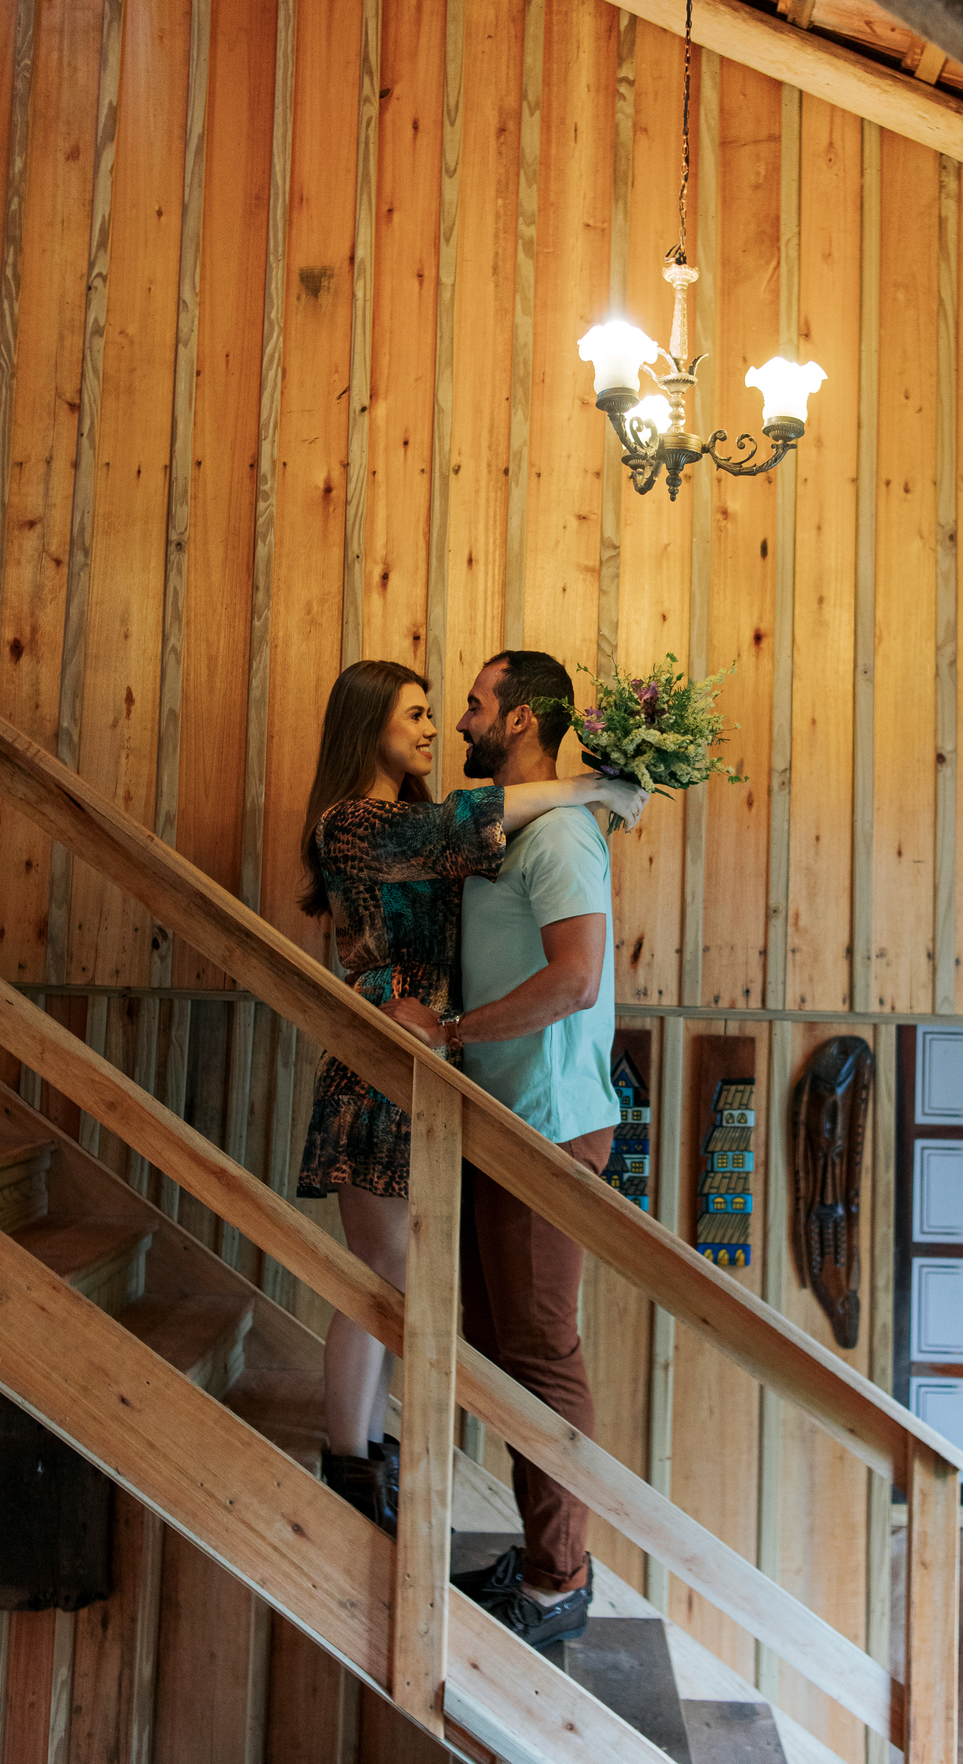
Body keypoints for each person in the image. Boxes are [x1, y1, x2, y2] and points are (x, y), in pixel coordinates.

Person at [296, 659, 646, 1535]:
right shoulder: (352, 824)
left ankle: (376, 1452)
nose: (437, 727)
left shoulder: (446, 830)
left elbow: (478, 829)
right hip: (387, 1050)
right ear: (367, 727)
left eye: (448, 710)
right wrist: (594, 786)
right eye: (415, 713)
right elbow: (471, 817)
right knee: (383, 1273)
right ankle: (349, 1460)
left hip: (437, 1063)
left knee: (410, 1282)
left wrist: (584, 799)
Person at [387, 650, 623, 1652]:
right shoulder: (510, 826)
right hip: (502, 1114)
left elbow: (575, 981)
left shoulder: (560, 836)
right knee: (499, 1343)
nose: (463, 720)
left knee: (538, 1353)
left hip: (547, 1122)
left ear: (519, 718)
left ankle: (560, 1579)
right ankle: (543, 1556)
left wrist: (450, 1035)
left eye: (477, 704)